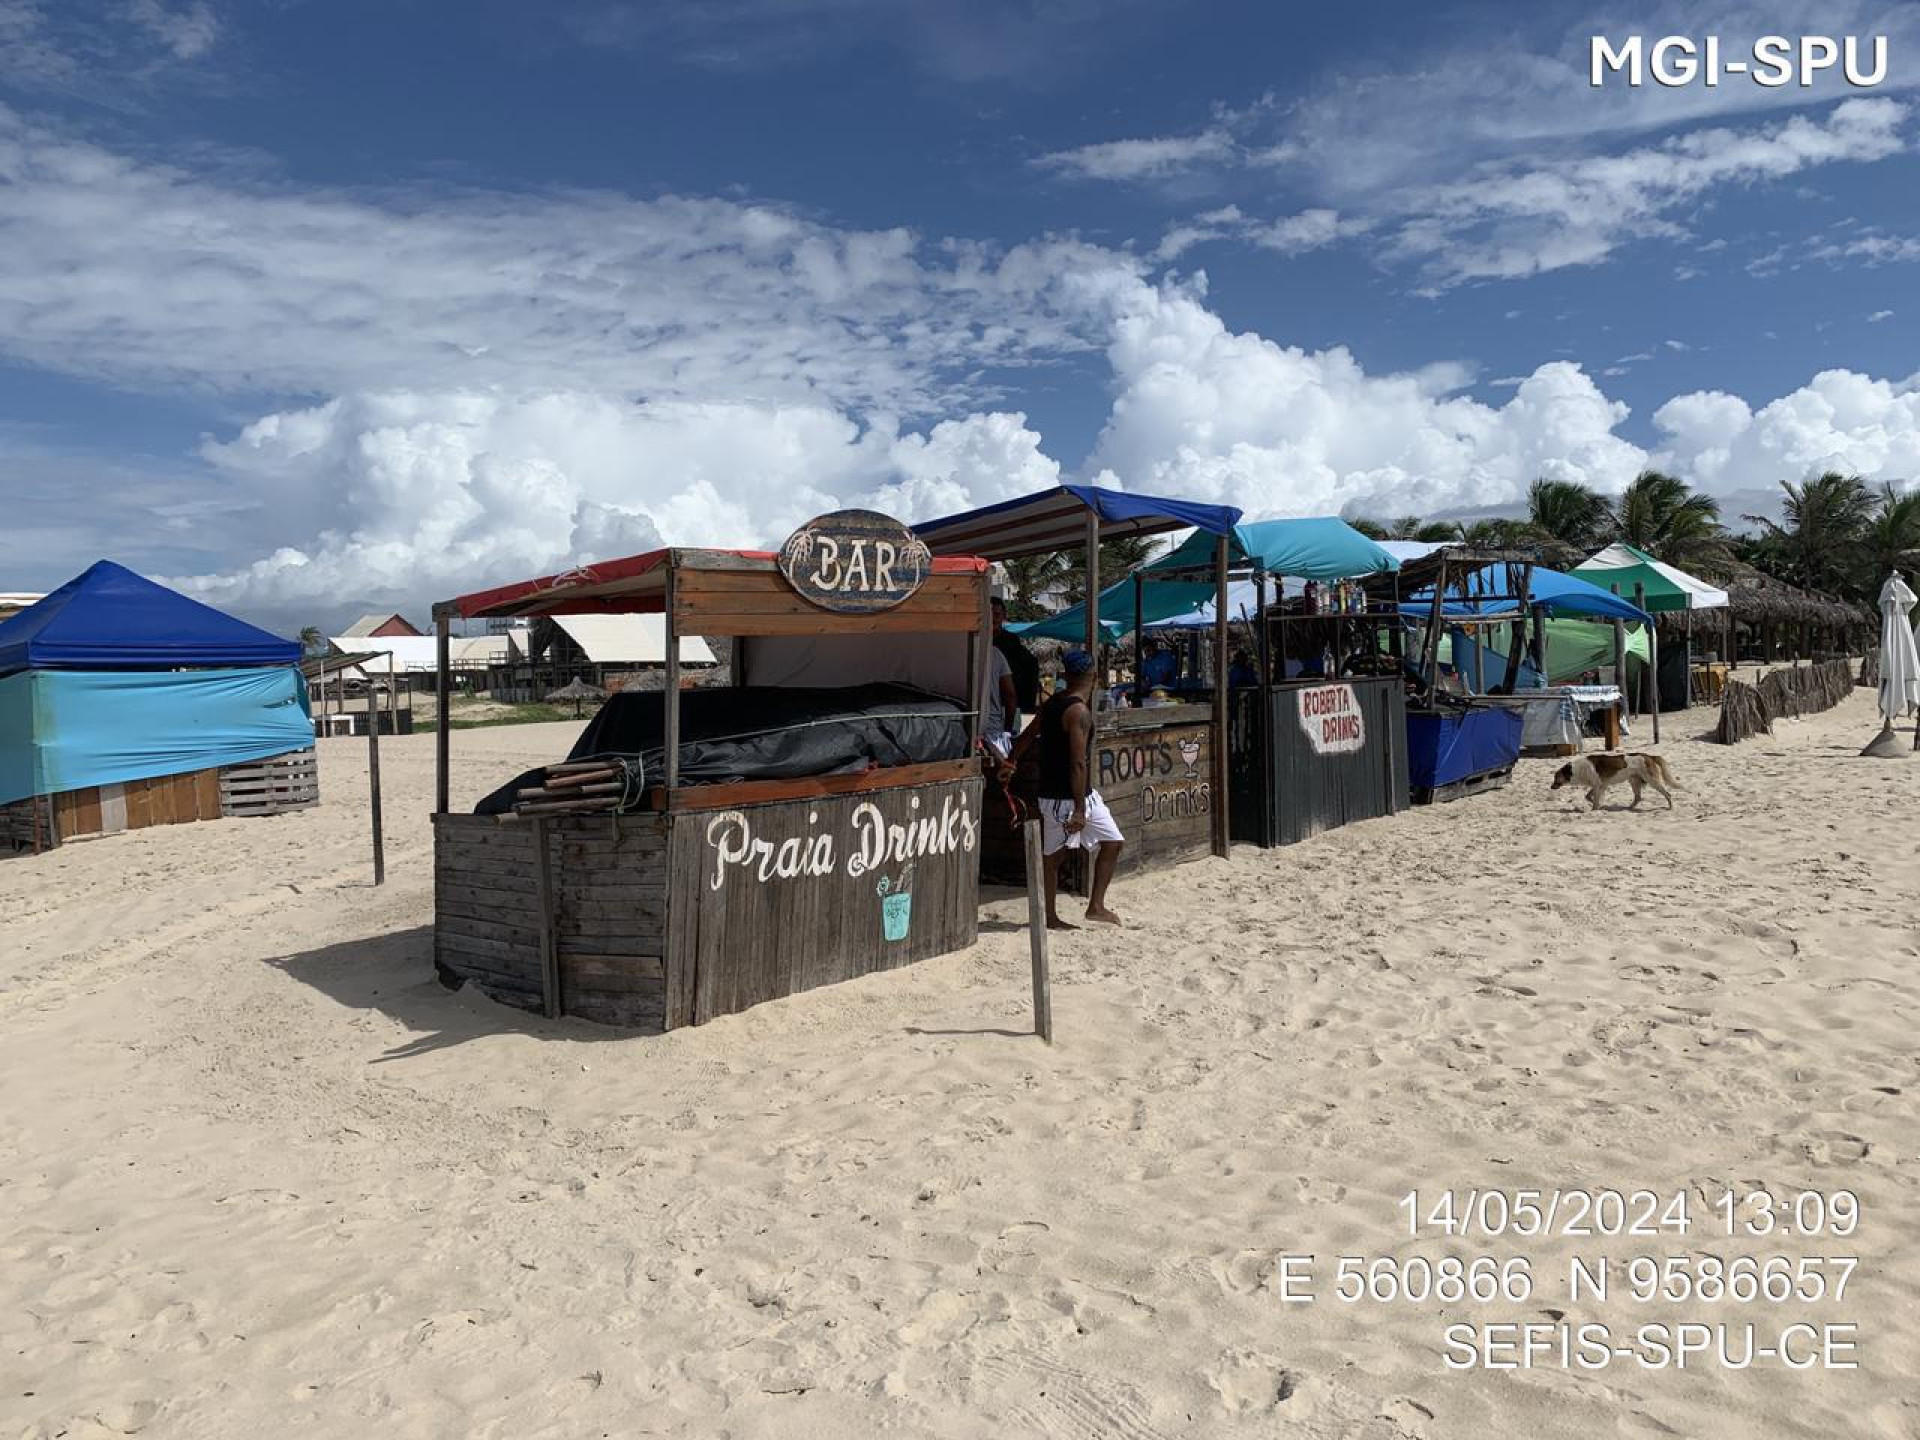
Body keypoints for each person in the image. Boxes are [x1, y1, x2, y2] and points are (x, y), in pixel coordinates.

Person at [1006, 649, 1124, 928]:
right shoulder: (1078, 711)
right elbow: (1077, 764)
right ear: (1095, 677)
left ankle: (1095, 907)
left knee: (1113, 842)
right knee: (1053, 857)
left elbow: (1027, 736)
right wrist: (1080, 809)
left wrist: (1010, 762)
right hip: (1066, 798)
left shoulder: (1053, 702)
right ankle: (1049, 917)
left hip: (1078, 795)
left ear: (1066, 676)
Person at [990, 597, 1041, 716]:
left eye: (996, 615)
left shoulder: (1011, 641)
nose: (992, 619)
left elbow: (1029, 668)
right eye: (989, 615)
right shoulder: (975, 640)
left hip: (1005, 704)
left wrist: (1026, 706)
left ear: (1003, 616)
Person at [982, 641, 1018, 757]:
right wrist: (1007, 730)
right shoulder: (995, 653)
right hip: (992, 730)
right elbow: (1010, 695)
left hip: (960, 728)